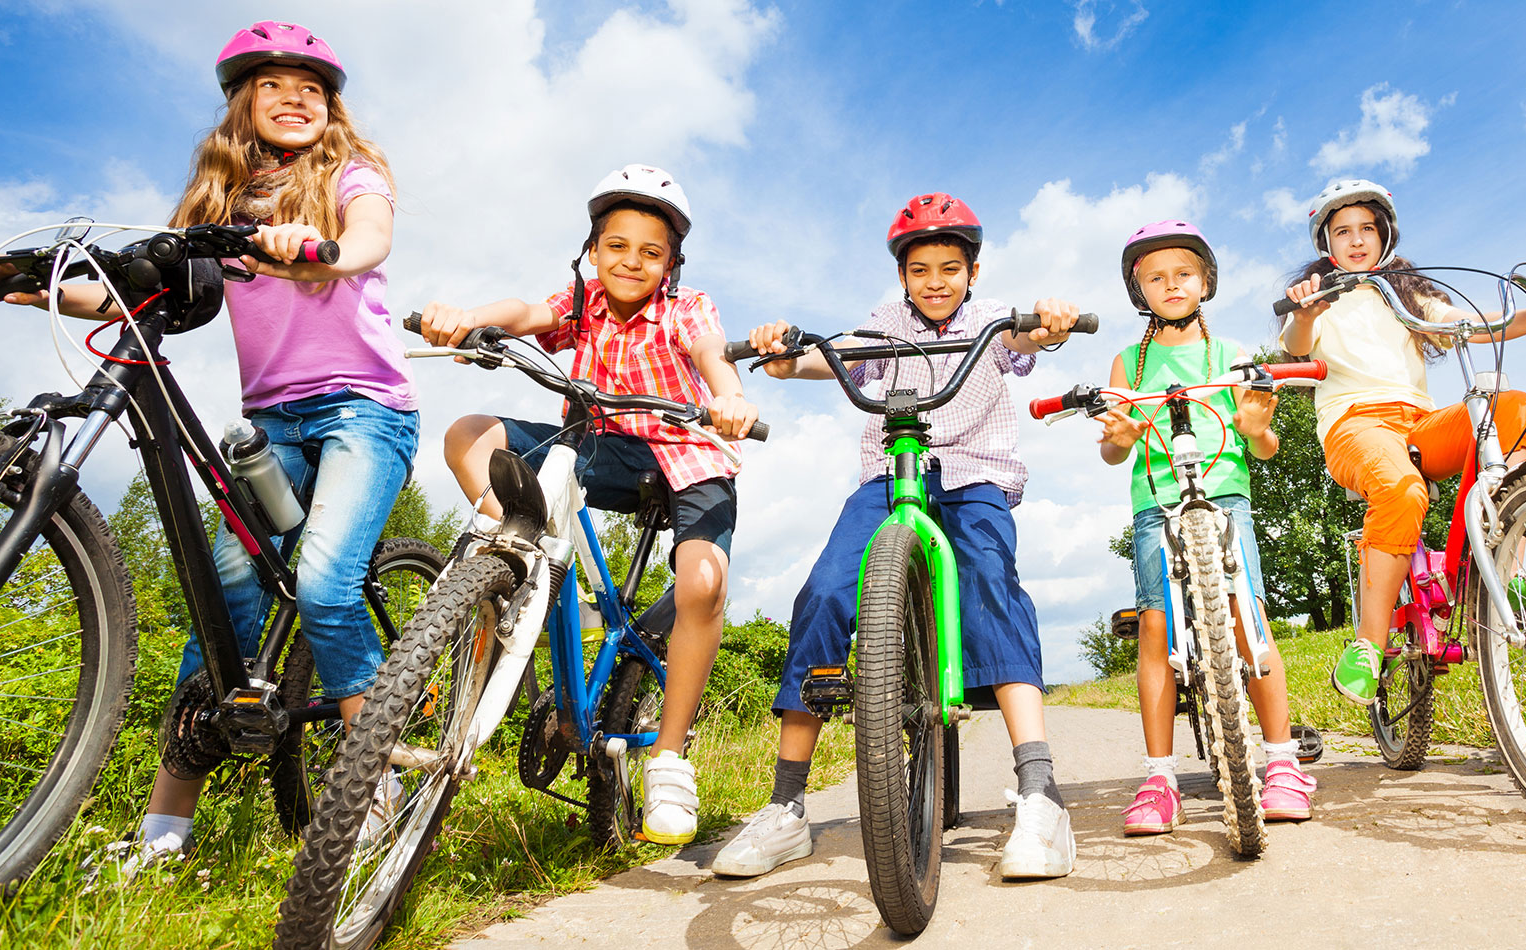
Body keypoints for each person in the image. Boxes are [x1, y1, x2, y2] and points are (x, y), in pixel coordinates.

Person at [0, 20, 419, 869]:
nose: (295, 99)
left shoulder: (352, 173)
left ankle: (376, 782)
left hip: (364, 412)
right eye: (273, 86)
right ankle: (164, 835)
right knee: (222, 600)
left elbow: (366, 241)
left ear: (331, 107)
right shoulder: (221, 204)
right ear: (241, 103)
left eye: (311, 89)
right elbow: (139, 291)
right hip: (272, 420)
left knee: (324, 584)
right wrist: (29, 284)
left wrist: (311, 248)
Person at [713, 193, 1082, 880]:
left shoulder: (990, 321)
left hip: (973, 477)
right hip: (890, 475)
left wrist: (1049, 324)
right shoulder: (885, 325)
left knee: (989, 583)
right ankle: (786, 806)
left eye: (949, 268)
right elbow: (833, 358)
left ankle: (1040, 795)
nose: (934, 282)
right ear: (902, 276)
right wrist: (785, 353)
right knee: (825, 592)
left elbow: (1026, 341)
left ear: (973, 272)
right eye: (919, 270)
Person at [416, 164, 758, 845]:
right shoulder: (584, 302)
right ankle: (521, 566)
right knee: (468, 435)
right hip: (602, 449)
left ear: (671, 264)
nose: (631, 262)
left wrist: (730, 397)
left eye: (651, 252)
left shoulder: (686, 308)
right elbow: (526, 314)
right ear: (593, 251)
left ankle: (668, 759)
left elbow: (711, 354)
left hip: (686, 457)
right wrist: (470, 320)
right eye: (617, 247)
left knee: (701, 584)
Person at [1279, 179, 1526, 705]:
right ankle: (1368, 647)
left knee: (1512, 407)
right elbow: (1295, 344)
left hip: (1420, 422)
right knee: (1402, 490)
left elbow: (1469, 323)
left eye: (1367, 229)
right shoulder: (1317, 298)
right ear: (1326, 244)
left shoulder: (1406, 291)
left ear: (1385, 234)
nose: (1357, 240)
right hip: (1356, 425)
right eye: (1343, 232)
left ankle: (1505, 571)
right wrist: (1304, 314)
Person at [1094, 220, 1314, 832]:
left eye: (1183, 273)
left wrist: (1255, 429)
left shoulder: (1230, 355)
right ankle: (1159, 778)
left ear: (1205, 282)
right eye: (1156, 278)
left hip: (1225, 497)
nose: (1171, 285)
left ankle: (1282, 762)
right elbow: (1112, 451)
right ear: (1139, 290)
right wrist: (1121, 436)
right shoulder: (1127, 362)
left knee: (1248, 617)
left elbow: (1264, 446)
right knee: (1155, 626)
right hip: (1156, 501)